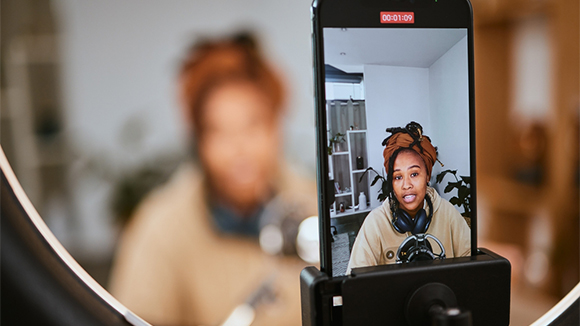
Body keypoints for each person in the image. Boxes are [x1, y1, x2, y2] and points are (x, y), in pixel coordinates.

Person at [108, 32, 317, 326]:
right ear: (199, 142)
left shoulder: (318, 208)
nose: (239, 148)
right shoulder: (159, 228)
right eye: (219, 131)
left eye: (253, 125)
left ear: (277, 127)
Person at [346, 122, 470, 273]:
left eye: (414, 174)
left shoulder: (448, 213)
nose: (406, 185)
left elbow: (473, 266)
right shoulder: (375, 223)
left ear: (427, 176)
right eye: (398, 177)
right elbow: (353, 281)